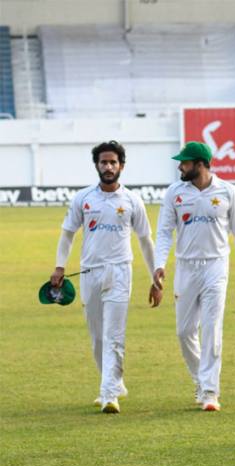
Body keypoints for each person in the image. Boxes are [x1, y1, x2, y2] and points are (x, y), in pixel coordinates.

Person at [50, 140, 161, 413]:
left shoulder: (133, 200)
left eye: (113, 162)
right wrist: (60, 266)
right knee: (97, 337)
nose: (108, 166)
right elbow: (67, 233)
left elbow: (146, 240)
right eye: (103, 162)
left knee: (114, 334)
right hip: (90, 272)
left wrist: (155, 276)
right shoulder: (84, 198)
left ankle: (109, 393)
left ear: (121, 166)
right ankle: (113, 381)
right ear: (97, 166)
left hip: (121, 271)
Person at [153, 142, 235, 412]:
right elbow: (165, 231)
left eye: (184, 163)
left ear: (200, 164)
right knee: (184, 331)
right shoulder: (175, 193)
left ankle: (210, 390)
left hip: (216, 266)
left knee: (212, 328)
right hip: (186, 267)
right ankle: (200, 380)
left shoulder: (228, 191)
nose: (180, 166)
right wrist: (159, 264)